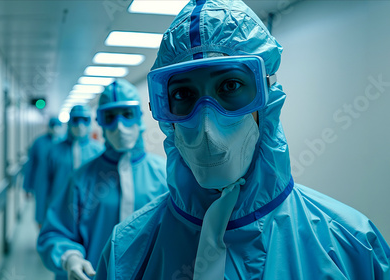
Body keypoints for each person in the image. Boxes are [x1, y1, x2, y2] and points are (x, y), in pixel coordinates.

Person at [95, 0, 390, 279]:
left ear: (267, 100)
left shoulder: (352, 247)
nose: (206, 124)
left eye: (230, 85)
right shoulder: (126, 251)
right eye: (183, 94)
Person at [37, 79, 168, 280]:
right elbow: (55, 232)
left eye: (127, 115)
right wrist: (70, 256)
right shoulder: (82, 179)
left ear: (140, 117)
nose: (120, 126)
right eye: (110, 117)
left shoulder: (165, 174)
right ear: (100, 121)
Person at [36, 105, 104, 228]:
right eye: (76, 120)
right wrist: (40, 216)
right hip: (58, 209)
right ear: (69, 122)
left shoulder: (99, 151)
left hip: (91, 212)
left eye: (84, 119)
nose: (80, 125)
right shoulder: (54, 151)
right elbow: (43, 184)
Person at [23, 117, 65, 196]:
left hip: (59, 184)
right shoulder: (39, 142)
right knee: (42, 206)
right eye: (53, 126)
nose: (55, 128)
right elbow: (31, 165)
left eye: (58, 126)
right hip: (41, 182)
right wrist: (27, 187)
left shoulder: (64, 142)